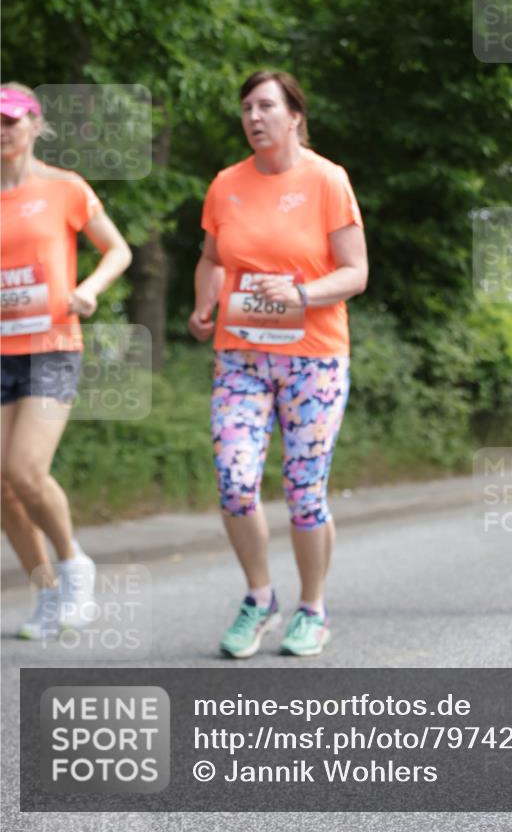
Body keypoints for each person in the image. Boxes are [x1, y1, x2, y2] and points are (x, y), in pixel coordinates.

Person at [188, 70, 367, 657]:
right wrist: (203, 303)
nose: (253, 117)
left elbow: (355, 272)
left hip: (312, 359)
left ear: (294, 115)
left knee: (304, 492)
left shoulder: (327, 180)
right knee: (236, 482)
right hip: (240, 355)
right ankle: (259, 597)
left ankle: (312, 608)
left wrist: (303, 294)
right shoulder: (226, 185)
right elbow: (213, 258)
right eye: (245, 107)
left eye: (266, 105)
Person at [1, 84, 132, 638]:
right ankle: (48, 592)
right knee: (1, 486)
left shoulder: (64, 188)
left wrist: (92, 288)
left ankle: (74, 564)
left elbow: (119, 249)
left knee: (24, 470)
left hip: (53, 346)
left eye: (11, 121)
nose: (2, 131)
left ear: (35, 125)